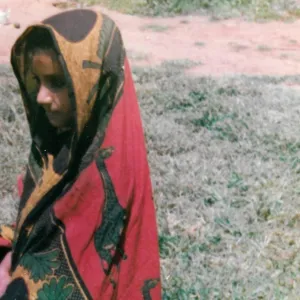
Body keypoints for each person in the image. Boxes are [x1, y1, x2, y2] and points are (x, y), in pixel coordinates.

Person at [0, 8, 161, 299]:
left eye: (58, 82)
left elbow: (71, 277)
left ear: (93, 84)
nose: (41, 97)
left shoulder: (103, 173)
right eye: (38, 80)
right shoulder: (60, 143)